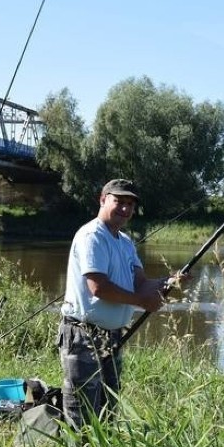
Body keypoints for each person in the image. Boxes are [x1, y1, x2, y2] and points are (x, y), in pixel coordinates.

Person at [58, 179, 187, 430]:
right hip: (84, 335)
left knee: (108, 407)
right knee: (82, 408)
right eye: (119, 201)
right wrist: (142, 302)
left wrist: (169, 281)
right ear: (103, 199)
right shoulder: (92, 236)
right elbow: (99, 287)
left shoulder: (125, 242)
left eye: (130, 204)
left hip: (112, 337)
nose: (125, 209)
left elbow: (140, 284)